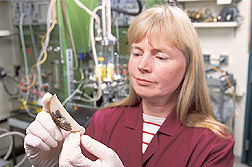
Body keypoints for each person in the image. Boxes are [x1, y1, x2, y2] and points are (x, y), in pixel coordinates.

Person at [24, 4, 234, 167]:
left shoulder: (214, 145)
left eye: (160, 57)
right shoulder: (105, 120)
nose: (142, 65)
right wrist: (52, 162)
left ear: (188, 66)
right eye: (137, 53)